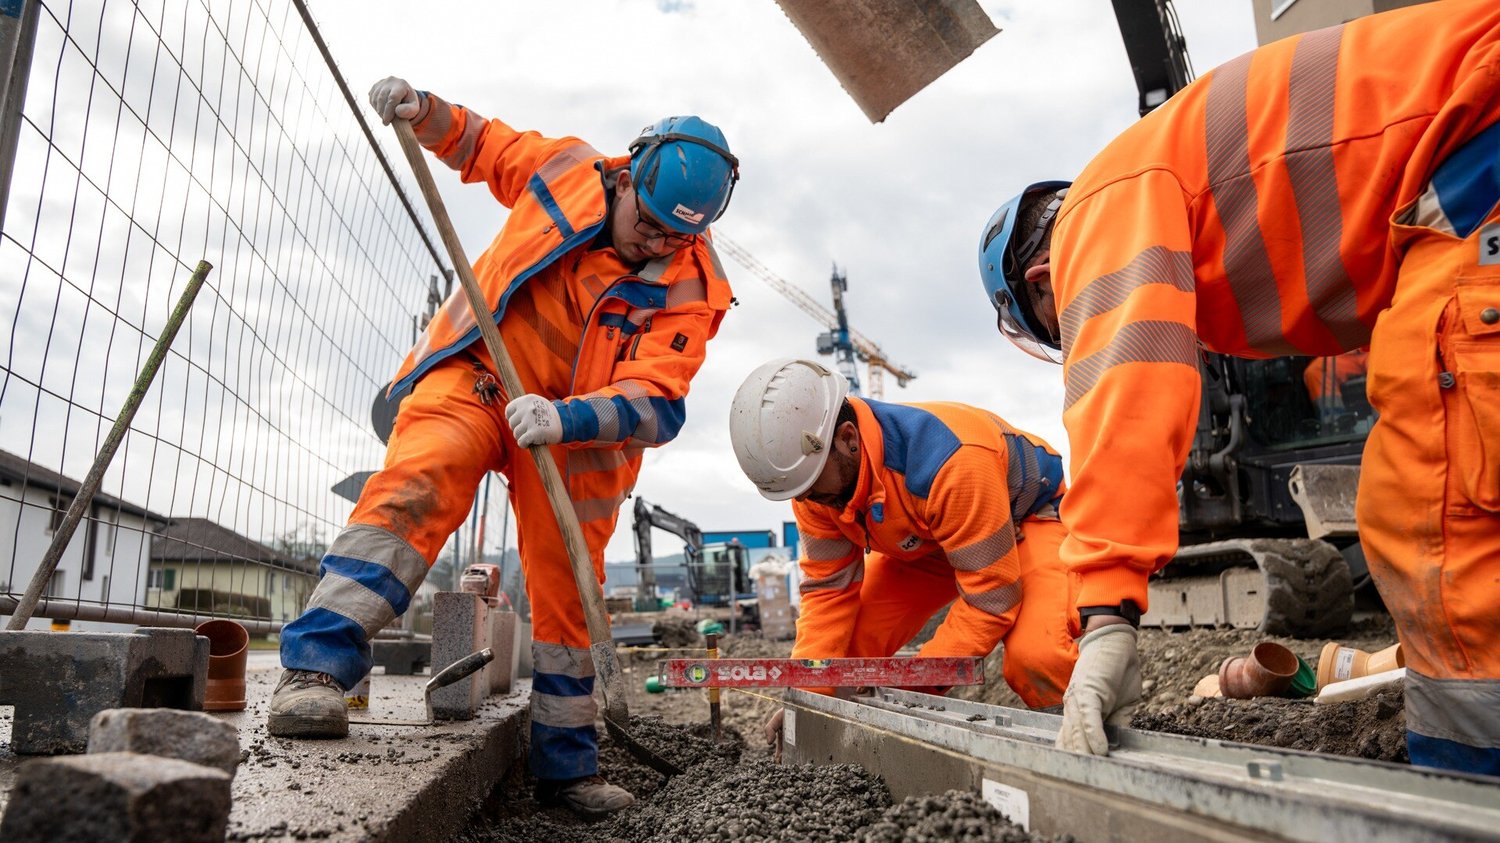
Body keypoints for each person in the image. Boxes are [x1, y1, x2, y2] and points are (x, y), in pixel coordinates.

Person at [977, 1, 1500, 774]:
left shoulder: (1095, 212)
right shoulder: (1166, 176)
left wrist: (1107, 618)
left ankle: (1467, 787)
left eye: (1065, 324)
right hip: (1468, 150)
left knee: (1435, 508)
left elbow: (1122, 400)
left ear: (1044, 283)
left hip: (1472, 158)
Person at [269, 76, 740, 816]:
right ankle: (315, 671)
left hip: (575, 435)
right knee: (422, 479)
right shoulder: (566, 168)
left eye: (674, 236)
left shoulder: (695, 286)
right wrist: (424, 112)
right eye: (647, 222)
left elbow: (659, 404)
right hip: (479, 371)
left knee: (569, 591)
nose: (655, 243)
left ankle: (566, 769)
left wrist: (566, 420)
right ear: (626, 175)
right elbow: (485, 145)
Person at [727, 358, 1080, 740]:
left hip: (1025, 520)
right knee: (843, 659)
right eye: (799, 492)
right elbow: (827, 593)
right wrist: (804, 697)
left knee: (1036, 658)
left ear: (848, 439)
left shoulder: (949, 462)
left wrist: (916, 686)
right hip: (931, 541)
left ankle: (1079, 745)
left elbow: (991, 600)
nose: (808, 501)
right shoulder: (813, 486)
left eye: (811, 486)